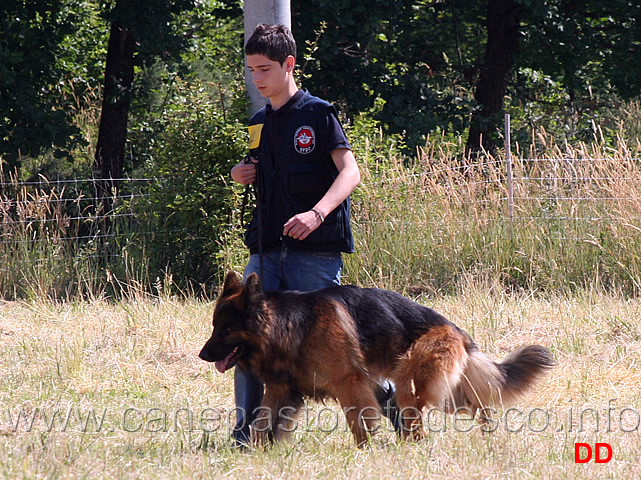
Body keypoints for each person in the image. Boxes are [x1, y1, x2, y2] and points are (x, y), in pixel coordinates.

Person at [229, 23, 397, 446]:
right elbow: (255, 167)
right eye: (251, 70)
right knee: (246, 337)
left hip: (314, 253)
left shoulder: (319, 114)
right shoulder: (259, 122)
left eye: (264, 68)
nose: (257, 78)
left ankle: (390, 403)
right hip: (266, 250)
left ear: (289, 65)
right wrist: (240, 174)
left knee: (334, 350)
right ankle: (247, 434)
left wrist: (318, 213)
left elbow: (351, 173)